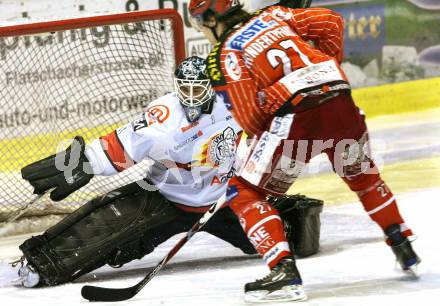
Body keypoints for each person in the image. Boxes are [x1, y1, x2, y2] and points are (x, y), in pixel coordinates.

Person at [16, 56, 323, 288]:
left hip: (223, 199)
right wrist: (83, 162)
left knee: (290, 240)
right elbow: (121, 146)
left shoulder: (232, 103)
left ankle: (287, 218)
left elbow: (271, 126)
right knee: (119, 247)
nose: (191, 95)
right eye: (184, 87)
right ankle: (45, 259)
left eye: (197, 87)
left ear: (210, 87)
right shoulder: (164, 115)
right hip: (167, 198)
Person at [188, 0, 421, 302]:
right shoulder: (275, 14)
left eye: (197, 21)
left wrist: (271, 106)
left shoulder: (225, 54)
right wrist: (324, 70)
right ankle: (402, 243)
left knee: (243, 192)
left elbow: (250, 119)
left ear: (209, 18)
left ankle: (283, 272)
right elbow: (330, 22)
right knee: (363, 178)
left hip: (297, 121)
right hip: (340, 101)